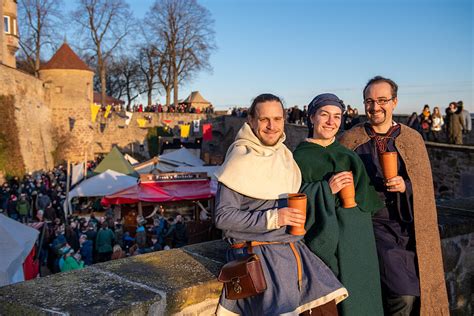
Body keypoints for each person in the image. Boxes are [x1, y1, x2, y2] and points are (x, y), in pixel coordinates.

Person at [214, 93, 347, 315]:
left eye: (277, 119)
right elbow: (223, 217)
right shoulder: (239, 158)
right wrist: (275, 218)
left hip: (297, 255)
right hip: (262, 261)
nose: (271, 126)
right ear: (251, 120)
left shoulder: (285, 156)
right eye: (264, 119)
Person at [339, 76, 449, 315]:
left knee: (417, 294)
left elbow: (425, 187)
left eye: (382, 100)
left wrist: (405, 186)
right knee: (403, 295)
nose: (375, 107)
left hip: (410, 227)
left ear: (394, 102)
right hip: (372, 227)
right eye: (369, 101)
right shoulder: (351, 139)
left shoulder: (412, 139)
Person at [293, 93, 384, 316]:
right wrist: (326, 189)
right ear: (312, 117)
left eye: (336, 116)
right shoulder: (298, 157)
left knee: (362, 298)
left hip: (356, 238)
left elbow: (366, 198)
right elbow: (292, 198)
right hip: (322, 237)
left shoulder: (346, 154)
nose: (331, 122)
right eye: (324, 115)